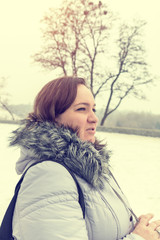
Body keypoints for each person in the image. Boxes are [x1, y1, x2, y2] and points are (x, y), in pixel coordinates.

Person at [10, 76, 160, 240]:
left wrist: (142, 229)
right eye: (82, 109)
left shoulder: (89, 168)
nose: (94, 118)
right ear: (53, 117)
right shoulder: (48, 175)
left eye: (93, 109)